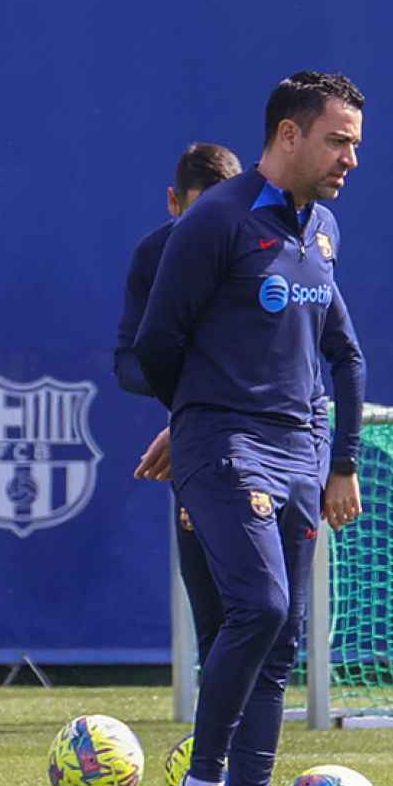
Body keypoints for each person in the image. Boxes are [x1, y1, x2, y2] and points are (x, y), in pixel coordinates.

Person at [133, 71, 368, 786]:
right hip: (227, 444)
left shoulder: (324, 229)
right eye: (337, 140)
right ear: (289, 135)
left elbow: (347, 354)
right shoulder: (217, 223)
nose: (350, 159)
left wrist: (343, 460)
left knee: (283, 639)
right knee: (260, 605)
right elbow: (156, 342)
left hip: (301, 449)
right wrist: (194, 425)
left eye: (356, 144)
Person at [113, 143, 242, 670]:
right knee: (214, 617)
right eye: (198, 214)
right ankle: (221, 751)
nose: (211, 229)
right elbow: (130, 363)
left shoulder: (270, 246)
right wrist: (192, 411)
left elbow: (309, 358)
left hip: (275, 448)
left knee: (269, 615)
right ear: (174, 203)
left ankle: (247, 742)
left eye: (224, 210)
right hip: (203, 449)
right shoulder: (155, 255)